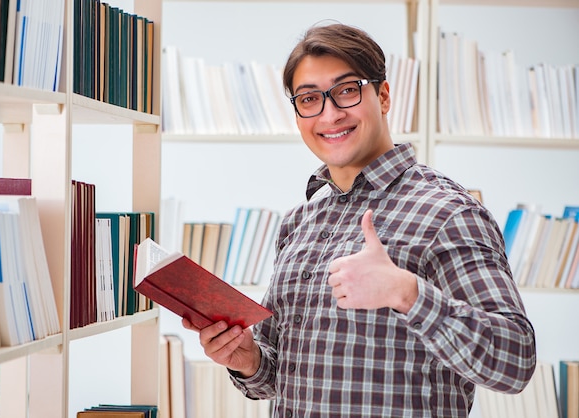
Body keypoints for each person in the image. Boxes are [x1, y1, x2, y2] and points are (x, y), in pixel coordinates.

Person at [182, 22, 536, 417]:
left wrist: (408, 293)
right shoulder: (298, 223)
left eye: (347, 91)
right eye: (309, 98)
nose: (329, 114)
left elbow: (515, 362)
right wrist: (248, 360)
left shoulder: (447, 212)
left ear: (383, 96)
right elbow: (281, 376)